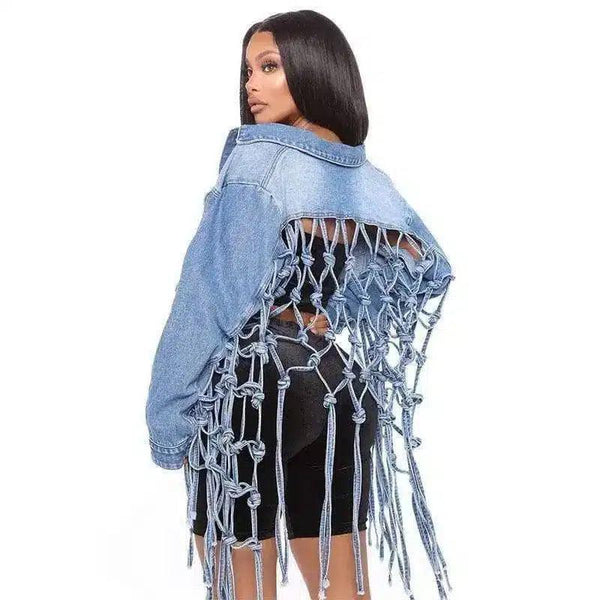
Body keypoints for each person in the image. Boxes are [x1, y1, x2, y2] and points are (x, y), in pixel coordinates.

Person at [145, 9, 455, 600]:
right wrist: (332, 310)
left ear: (314, 70)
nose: (252, 85)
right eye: (247, 71)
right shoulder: (366, 178)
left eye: (269, 67)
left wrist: (167, 417)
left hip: (252, 389)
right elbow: (425, 265)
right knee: (346, 591)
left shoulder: (259, 161)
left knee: (243, 590)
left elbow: (210, 295)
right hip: (338, 384)